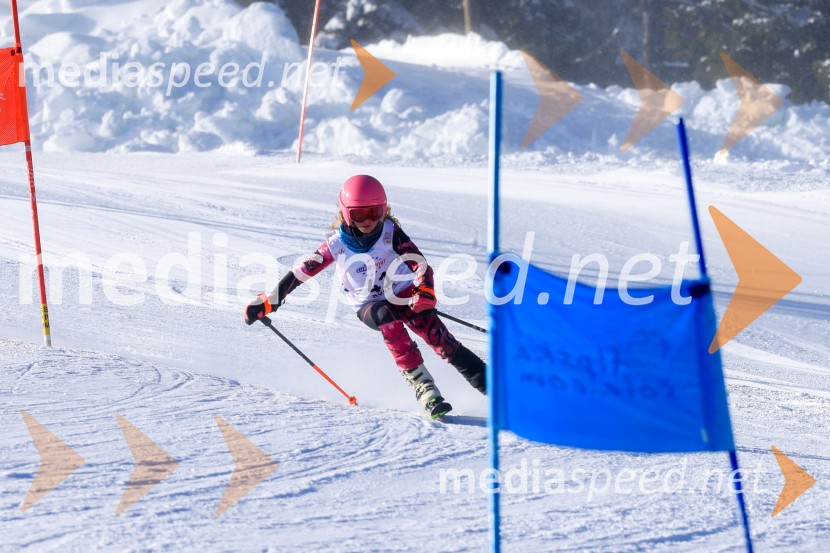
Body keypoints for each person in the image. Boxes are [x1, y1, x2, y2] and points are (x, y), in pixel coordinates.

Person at [245, 174, 486, 418]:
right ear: (346, 213)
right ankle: (424, 387)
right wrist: (270, 301)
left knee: (439, 338)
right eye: (360, 215)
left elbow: (419, 263)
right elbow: (300, 273)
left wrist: (424, 289)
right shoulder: (335, 245)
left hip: (404, 294)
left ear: (384, 210)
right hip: (369, 305)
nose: (369, 220)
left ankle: (495, 389)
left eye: (375, 212)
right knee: (387, 319)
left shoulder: (390, 232)